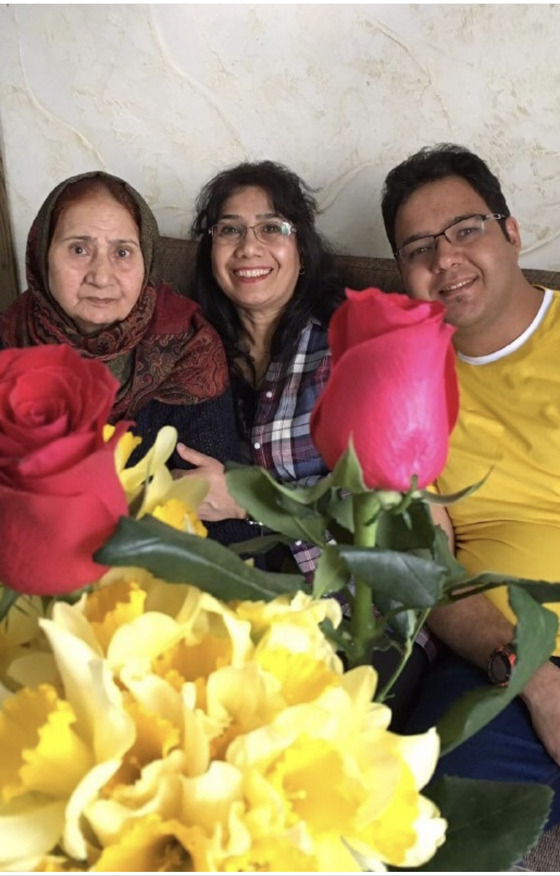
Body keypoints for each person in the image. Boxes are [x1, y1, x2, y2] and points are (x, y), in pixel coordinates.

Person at [381, 142, 560, 823]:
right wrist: (537, 683)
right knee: (419, 821)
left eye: (465, 230)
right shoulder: (405, 386)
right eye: (418, 247)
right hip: (504, 666)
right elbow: (427, 567)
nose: (444, 259)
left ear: (511, 232)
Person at [0, 170, 247, 545]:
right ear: (41, 254)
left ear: (146, 258)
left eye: (122, 252)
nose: (101, 275)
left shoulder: (188, 348)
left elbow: (220, 524)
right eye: (79, 249)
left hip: (156, 572)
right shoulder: (9, 340)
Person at [178, 159, 345, 577]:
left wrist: (245, 501)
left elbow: (380, 507)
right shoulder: (190, 349)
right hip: (227, 591)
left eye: (272, 227)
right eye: (230, 229)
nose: (248, 247)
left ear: (302, 250)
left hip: (344, 609)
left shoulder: (345, 347)